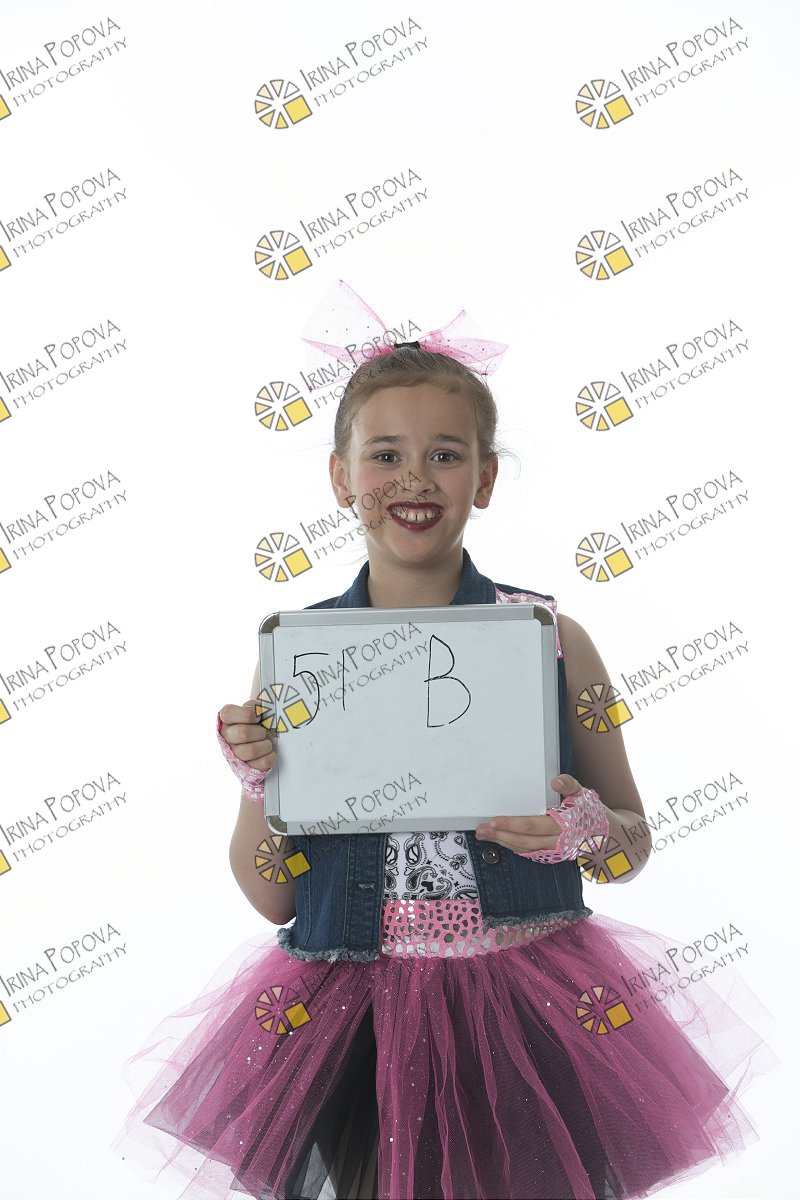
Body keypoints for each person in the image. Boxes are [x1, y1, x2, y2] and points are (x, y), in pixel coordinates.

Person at [115, 326, 771, 1200]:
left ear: (486, 479)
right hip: (355, 1021)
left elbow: (630, 848)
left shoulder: (556, 643)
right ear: (341, 476)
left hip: (528, 1006)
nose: (415, 478)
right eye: (385, 454)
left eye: (446, 455)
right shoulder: (296, 661)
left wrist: (582, 829)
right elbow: (272, 895)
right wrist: (262, 784)